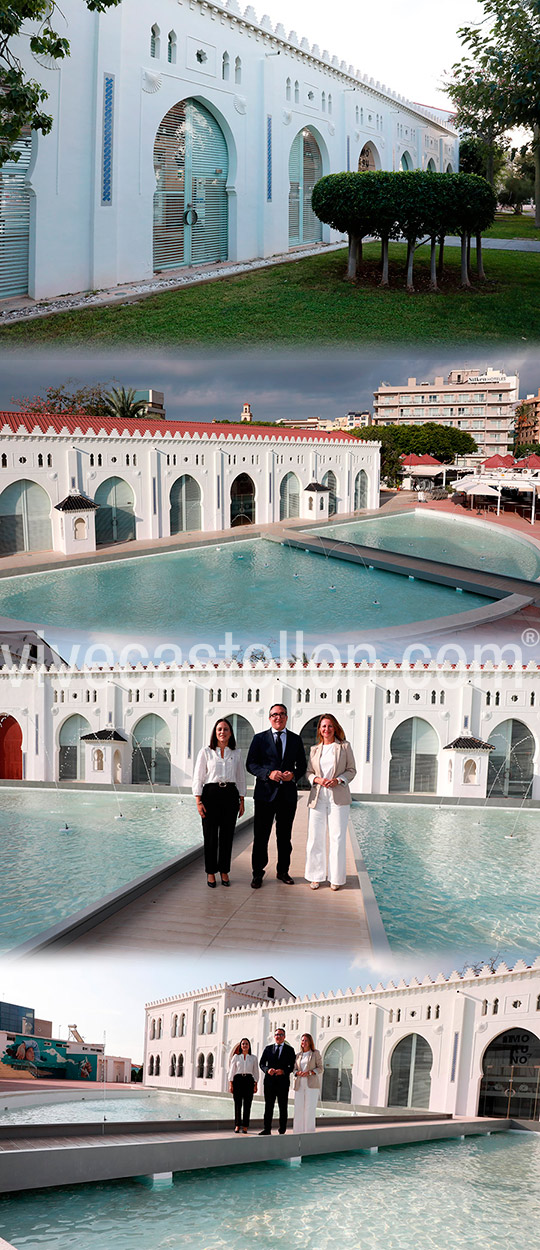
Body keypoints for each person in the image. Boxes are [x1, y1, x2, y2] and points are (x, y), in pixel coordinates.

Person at [246, 704, 307, 889]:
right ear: (269, 718)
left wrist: (293, 776)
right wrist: (268, 773)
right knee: (261, 837)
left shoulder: (296, 740)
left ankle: (283, 871)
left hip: (287, 796)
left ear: (286, 717)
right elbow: (250, 764)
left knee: (284, 836)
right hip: (265, 795)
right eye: (274, 715)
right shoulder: (259, 739)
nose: (278, 717)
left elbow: (302, 765)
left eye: (281, 714)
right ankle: (258, 873)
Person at [305, 714, 356, 891]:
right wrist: (317, 779)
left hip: (338, 797)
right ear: (319, 729)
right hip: (318, 797)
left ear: (335, 728)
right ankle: (315, 876)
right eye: (323, 726)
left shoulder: (344, 747)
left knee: (337, 837)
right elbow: (308, 772)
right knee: (315, 837)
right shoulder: (314, 749)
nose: (326, 729)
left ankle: (336, 878)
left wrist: (339, 780)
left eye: (330, 726)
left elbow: (352, 770)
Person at [192, 718, 246, 887]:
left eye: (226, 729)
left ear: (231, 733)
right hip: (210, 794)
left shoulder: (236, 753)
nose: (222, 732)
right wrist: (198, 801)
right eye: (219, 729)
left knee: (227, 836)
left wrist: (242, 799)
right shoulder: (206, 752)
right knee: (210, 836)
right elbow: (198, 776)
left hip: (230, 795)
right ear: (215, 733)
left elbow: (240, 777)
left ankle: (224, 871)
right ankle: (210, 872)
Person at [259, 1026, 296, 1134]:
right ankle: (267, 1129)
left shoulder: (290, 1050)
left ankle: (282, 1129)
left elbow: (292, 1066)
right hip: (269, 1083)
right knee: (268, 1106)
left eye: (280, 1035)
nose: (278, 1037)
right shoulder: (268, 1049)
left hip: (282, 1083)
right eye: (276, 1035)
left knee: (283, 1106)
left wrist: (283, 1071)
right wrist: (267, 1070)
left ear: (284, 1037)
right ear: (274, 1036)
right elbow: (261, 1064)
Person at [293, 1033, 323, 1134]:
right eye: (302, 1040)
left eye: (306, 1040)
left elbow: (320, 1068)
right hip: (299, 1084)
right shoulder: (298, 1055)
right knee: (298, 1108)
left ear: (310, 1042)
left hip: (312, 1085)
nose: (304, 1042)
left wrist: (309, 1072)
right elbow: (294, 1069)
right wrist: (298, 1073)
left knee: (310, 1109)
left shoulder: (315, 1053)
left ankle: (309, 1133)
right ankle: (297, 1133)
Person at [228, 1037, 259, 1133]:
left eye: (246, 1044)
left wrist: (255, 1084)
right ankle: (237, 1125)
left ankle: (245, 1126)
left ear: (249, 1046)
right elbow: (231, 1071)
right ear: (241, 1046)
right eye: (243, 1044)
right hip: (238, 1080)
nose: (245, 1045)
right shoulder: (236, 1057)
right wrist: (231, 1084)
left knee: (247, 1104)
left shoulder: (253, 1058)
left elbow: (256, 1072)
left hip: (249, 1081)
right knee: (238, 1104)